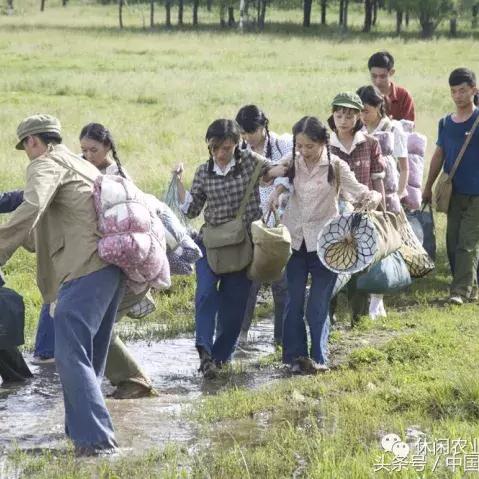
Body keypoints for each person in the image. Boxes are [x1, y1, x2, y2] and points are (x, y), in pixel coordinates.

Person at [0, 114, 122, 455]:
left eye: (25, 146)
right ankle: (80, 434)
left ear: (33, 142)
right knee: (88, 360)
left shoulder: (45, 163)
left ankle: (96, 444)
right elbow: (51, 227)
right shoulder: (80, 164)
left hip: (83, 271)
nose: (26, 152)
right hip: (111, 268)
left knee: (69, 358)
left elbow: (33, 205)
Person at [174, 119, 287, 378]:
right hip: (210, 245)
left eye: (225, 148)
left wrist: (287, 167)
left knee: (233, 310)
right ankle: (204, 352)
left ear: (237, 144)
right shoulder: (204, 172)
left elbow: (273, 172)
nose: (220, 154)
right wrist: (179, 183)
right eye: (214, 148)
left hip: (242, 246)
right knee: (204, 295)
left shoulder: (251, 162)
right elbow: (192, 210)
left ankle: (219, 360)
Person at [269, 116, 382, 373]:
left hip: (327, 246)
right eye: (299, 145)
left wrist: (373, 196)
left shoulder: (336, 166)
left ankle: (319, 359)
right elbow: (275, 173)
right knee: (293, 301)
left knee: (317, 305)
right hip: (295, 241)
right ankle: (294, 358)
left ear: (322, 142)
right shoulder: (294, 160)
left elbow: (359, 191)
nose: (304, 151)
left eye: (309, 146)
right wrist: (276, 185)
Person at [235, 105, 293, 346]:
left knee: (281, 283)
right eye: (243, 132)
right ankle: (240, 337)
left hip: (280, 222)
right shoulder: (240, 151)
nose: (247, 137)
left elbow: (291, 170)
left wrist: (277, 191)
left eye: (251, 131)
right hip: (253, 223)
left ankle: (280, 339)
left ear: (263, 126)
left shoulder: (282, 144)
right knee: (250, 282)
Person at [328, 92, 385, 324]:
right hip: (333, 213)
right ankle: (327, 318)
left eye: (349, 116)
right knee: (332, 263)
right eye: (339, 115)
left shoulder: (370, 144)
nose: (344, 120)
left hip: (363, 213)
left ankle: (358, 319)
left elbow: (378, 180)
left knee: (360, 266)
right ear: (333, 116)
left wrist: (382, 204)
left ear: (358, 117)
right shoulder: (326, 146)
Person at [423, 68, 479, 305]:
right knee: (453, 242)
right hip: (454, 193)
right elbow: (439, 155)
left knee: (467, 243)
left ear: (474, 91)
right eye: (454, 91)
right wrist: (427, 186)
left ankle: (459, 292)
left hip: (478, 195)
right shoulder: (445, 122)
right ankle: (471, 287)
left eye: (463, 91)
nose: (458, 96)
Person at [357, 84, 409, 319]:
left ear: (379, 107)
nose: (361, 115)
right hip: (362, 192)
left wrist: (398, 194)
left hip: (386, 192)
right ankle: (362, 293)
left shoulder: (393, 128)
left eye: (365, 110)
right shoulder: (355, 129)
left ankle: (378, 298)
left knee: (384, 243)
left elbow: (403, 165)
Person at [368, 51, 415, 122]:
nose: (378, 81)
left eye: (383, 76)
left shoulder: (403, 96)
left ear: (392, 72)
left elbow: (408, 127)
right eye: (374, 76)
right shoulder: (364, 96)